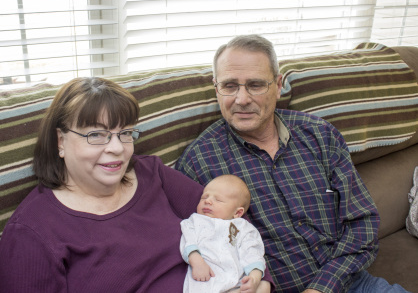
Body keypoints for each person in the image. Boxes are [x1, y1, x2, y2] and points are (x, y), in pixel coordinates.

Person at [0, 77, 274, 293]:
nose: (117, 148)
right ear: (61, 141)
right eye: (96, 135)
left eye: (125, 133)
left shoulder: (152, 173)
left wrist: (261, 282)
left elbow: (231, 220)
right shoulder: (32, 232)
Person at [176, 35, 411, 293]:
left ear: (277, 85)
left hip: (351, 283)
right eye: (230, 85)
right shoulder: (198, 162)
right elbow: (187, 242)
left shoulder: (320, 135)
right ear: (216, 87)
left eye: (255, 85)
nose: (241, 99)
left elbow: (362, 222)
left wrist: (322, 287)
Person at [180, 174, 268, 293]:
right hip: (205, 282)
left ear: (237, 213)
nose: (208, 201)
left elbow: (253, 253)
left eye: (218, 199)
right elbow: (188, 241)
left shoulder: (244, 228)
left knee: (262, 287)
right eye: (204, 197)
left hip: (236, 284)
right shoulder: (194, 221)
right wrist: (196, 261)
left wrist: (254, 278)